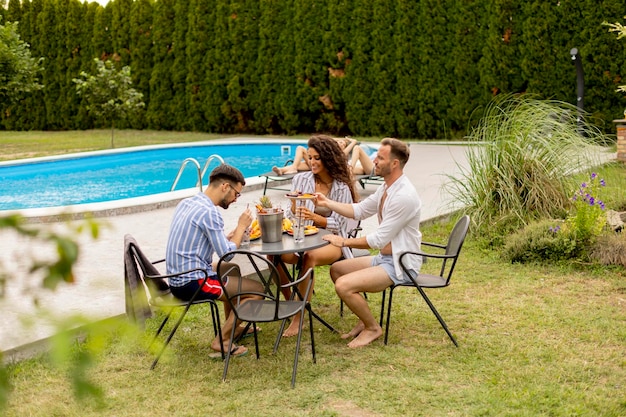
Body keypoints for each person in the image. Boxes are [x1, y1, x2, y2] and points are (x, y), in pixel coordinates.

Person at [314, 138, 422, 348]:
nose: (374, 160)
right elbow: (360, 210)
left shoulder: (403, 196)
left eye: (380, 157)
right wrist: (327, 202)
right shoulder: (387, 187)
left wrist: (343, 241)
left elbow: (378, 239)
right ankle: (363, 320)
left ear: (394, 164)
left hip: (400, 264)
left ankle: (373, 328)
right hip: (385, 257)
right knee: (337, 269)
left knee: (343, 286)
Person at [165, 164, 264, 358]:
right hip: (192, 282)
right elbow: (226, 253)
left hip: (176, 276)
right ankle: (223, 340)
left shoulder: (187, 203)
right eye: (237, 193)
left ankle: (233, 327)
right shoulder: (210, 212)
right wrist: (241, 226)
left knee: (232, 270)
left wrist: (229, 236)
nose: (236, 199)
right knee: (256, 290)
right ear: (225, 187)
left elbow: (203, 240)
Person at [276, 134, 360, 337]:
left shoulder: (340, 187)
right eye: (310, 158)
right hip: (303, 235)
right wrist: (295, 209)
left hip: (333, 240)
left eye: (316, 158)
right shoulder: (301, 179)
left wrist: (317, 218)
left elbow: (341, 225)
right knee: (275, 255)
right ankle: (293, 303)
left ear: (328, 159)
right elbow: (290, 212)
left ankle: (299, 317)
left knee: (310, 257)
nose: (311, 162)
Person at [271, 137, 357, 176]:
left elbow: (354, 142)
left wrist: (351, 141)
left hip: (320, 167)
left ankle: (287, 169)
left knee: (300, 160)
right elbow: (326, 139)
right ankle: (282, 170)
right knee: (300, 149)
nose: (341, 143)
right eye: (340, 141)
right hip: (314, 163)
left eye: (343, 143)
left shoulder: (341, 153)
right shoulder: (328, 149)